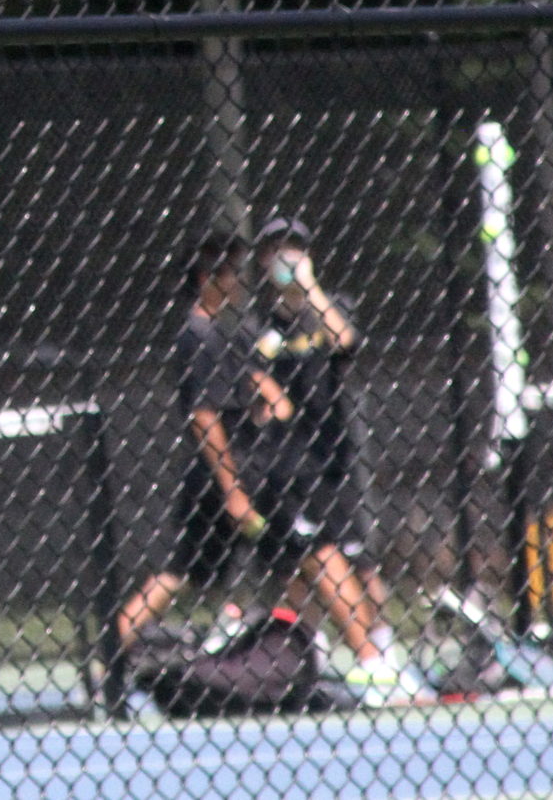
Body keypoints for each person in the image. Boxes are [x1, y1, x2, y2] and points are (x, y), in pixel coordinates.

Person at [112, 233, 402, 703]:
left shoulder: (240, 329)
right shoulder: (219, 333)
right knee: (316, 555)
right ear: (209, 279)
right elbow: (209, 415)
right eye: (233, 273)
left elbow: (327, 351)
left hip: (283, 469)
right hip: (255, 475)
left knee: (192, 570)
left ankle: (107, 663)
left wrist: (268, 387)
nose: (242, 281)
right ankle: (374, 665)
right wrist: (234, 488)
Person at [251, 214, 424, 697]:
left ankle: (383, 650)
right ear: (262, 261)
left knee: (360, 563)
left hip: (335, 459)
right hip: (288, 464)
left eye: (294, 248)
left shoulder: (332, 307)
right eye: (275, 250)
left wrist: (308, 290)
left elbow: (346, 340)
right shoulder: (259, 327)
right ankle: (325, 654)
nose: (285, 257)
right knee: (304, 563)